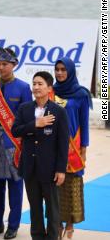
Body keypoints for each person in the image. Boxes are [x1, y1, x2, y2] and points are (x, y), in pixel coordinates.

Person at [0, 48, 32, 239]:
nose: (1, 68)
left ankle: (13, 226)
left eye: (5, 64)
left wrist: (25, 144)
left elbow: (28, 119)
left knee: (16, 187)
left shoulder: (24, 88)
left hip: (14, 144)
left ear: (14, 65)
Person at [11, 71, 69, 240]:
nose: (36, 87)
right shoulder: (24, 108)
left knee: (52, 210)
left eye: (40, 84)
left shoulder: (58, 111)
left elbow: (63, 143)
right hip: (29, 168)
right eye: (34, 83)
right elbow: (15, 131)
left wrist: (61, 169)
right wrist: (35, 124)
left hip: (50, 170)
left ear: (49, 88)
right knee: (35, 210)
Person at [52, 57, 92, 239]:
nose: (59, 73)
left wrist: (83, 150)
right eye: (57, 69)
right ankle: (56, 224)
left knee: (72, 187)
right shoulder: (50, 91)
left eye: (63, 69)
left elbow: (84, 123)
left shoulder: (81, 94)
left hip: (73, 149)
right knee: (55, 187)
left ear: (70, 71)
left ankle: (69, 224)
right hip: (53, 147)